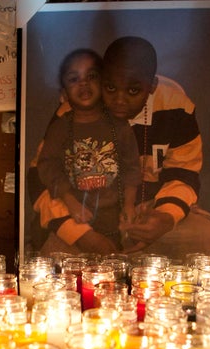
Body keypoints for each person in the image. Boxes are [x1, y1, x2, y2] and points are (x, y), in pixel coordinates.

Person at [29, 36, 210, 259]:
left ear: (152, 86)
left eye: (133, 91)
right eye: (110, 87)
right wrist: (81, 235)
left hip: (152, 211)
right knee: (56, 264)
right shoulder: (74, 113)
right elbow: (41, 178)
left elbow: (184, 174)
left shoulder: (177, 109)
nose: (119, 99)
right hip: (86, 218)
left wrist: (166, 217)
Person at [35, 48, 142, 254]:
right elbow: (48, 167)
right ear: (63, 94)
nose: (83, 83)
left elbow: (132, 169)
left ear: (104, 84)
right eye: (74, 79)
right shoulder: (60, 128)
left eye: (91, 76)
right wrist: (70, 201)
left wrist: (129, 205)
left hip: (114, 217)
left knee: (119, 264)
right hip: (75, 215)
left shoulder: (119, 126)